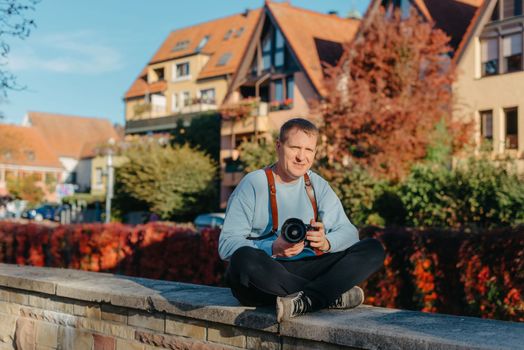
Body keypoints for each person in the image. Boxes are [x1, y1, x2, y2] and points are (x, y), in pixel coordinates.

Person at [218, 118, 385, 322]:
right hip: (268, 271)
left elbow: (350, 233)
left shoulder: (316, 184)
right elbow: (226, 245)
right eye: (295, 147)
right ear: (279, 146)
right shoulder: (254, 183)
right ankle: (327, 294)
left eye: (309, 150)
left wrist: (326, 242)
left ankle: (307, 299)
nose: (301, 157)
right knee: (242, 258)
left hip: (307, 265)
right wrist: (272, 247)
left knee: (372, 248)